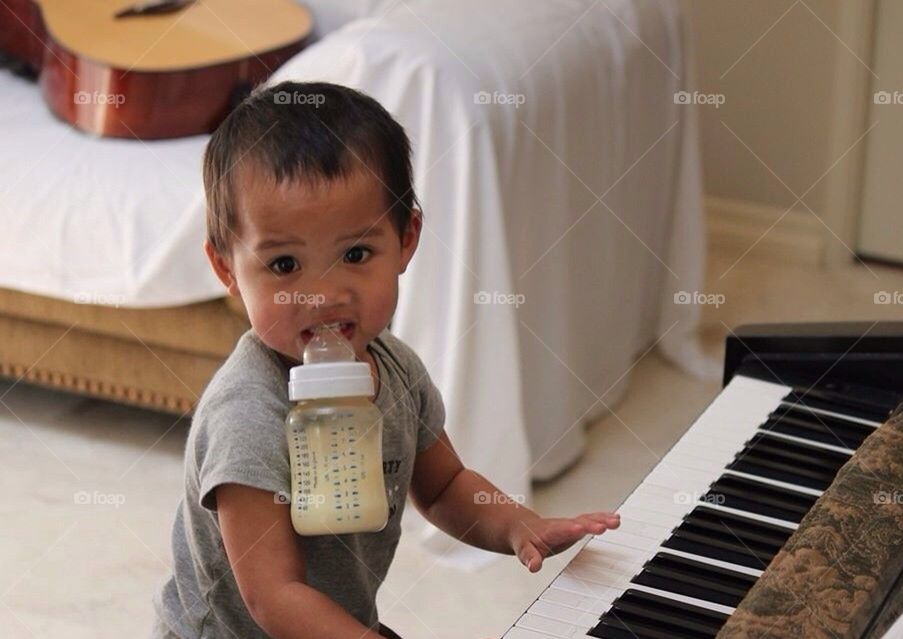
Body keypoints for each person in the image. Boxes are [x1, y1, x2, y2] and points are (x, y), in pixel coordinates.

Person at [150, 81, 620, 638]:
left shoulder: (396, 369)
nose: (322, 295)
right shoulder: (247, 415)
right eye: (284, 265)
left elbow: (445, 487)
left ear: (406, 239)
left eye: (355, 253)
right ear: (227, 268)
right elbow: (274, 596)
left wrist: (518, 525)